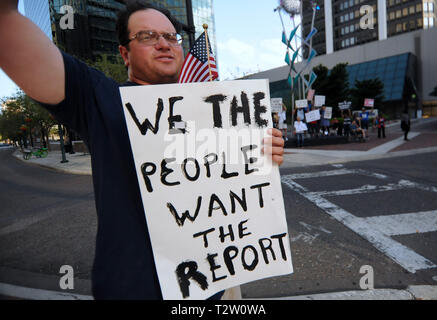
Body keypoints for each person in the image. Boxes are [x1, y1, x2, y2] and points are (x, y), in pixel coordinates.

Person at [0, 0, 286, 300]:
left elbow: (235, 186)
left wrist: (265, 153)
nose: (163, 44)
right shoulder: (100, 99)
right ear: (125, 53)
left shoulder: (214, 115)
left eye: (170, 37)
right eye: (147, 37)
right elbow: (7, 24)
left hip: (208, 286)